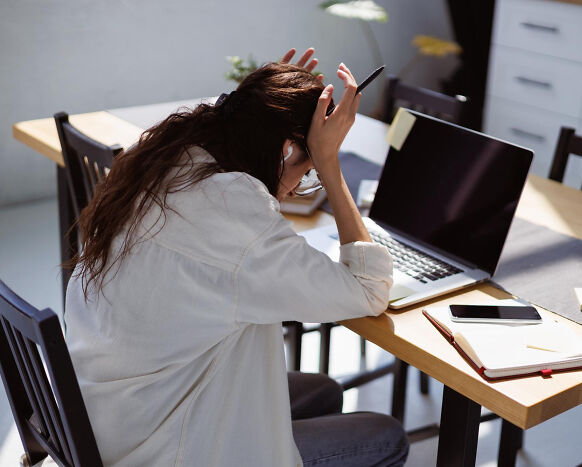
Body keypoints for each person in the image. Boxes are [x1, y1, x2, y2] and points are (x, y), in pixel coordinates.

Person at [63, 48, 408, 466]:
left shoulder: (173, 160)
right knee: (386, 436)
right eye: (308, 168)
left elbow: (237, 250)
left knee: (324, 389)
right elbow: (368, 289)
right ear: (285, 150)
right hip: (166, 448)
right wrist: (330, 163)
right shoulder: (233, 216)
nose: (303, 183)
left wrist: (264, 107)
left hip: (113, 412)